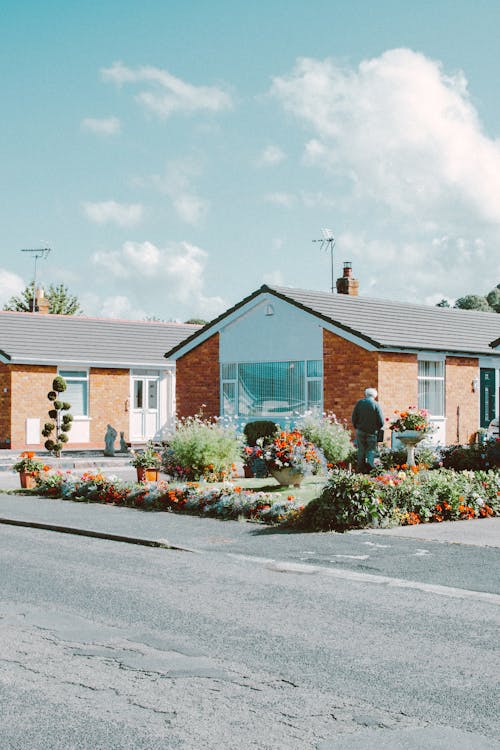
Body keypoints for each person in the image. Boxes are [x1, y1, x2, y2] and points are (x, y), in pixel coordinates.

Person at [351, 387, 384, 473]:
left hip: (360, 431)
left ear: (365, 394)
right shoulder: (376, 404)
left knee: (361, 449)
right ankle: (370, 466)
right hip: (372, 432)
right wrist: (377, 428)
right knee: (371, 449)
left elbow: (354, 417)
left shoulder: (359, 403)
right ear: (375, 396)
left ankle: (360, 469)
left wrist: (357, 426)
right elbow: (381, 421)